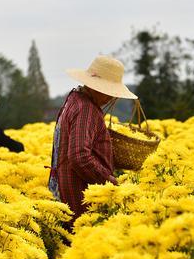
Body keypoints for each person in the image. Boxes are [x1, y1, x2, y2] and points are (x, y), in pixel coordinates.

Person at [48, 55, 137, 226]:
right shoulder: (86, 110)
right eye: (110, 92)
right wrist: (110, 181)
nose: (112, 98)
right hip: (82, 198)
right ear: (98, 88)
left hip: (69, 189)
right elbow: (79, 156)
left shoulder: (75, 99)